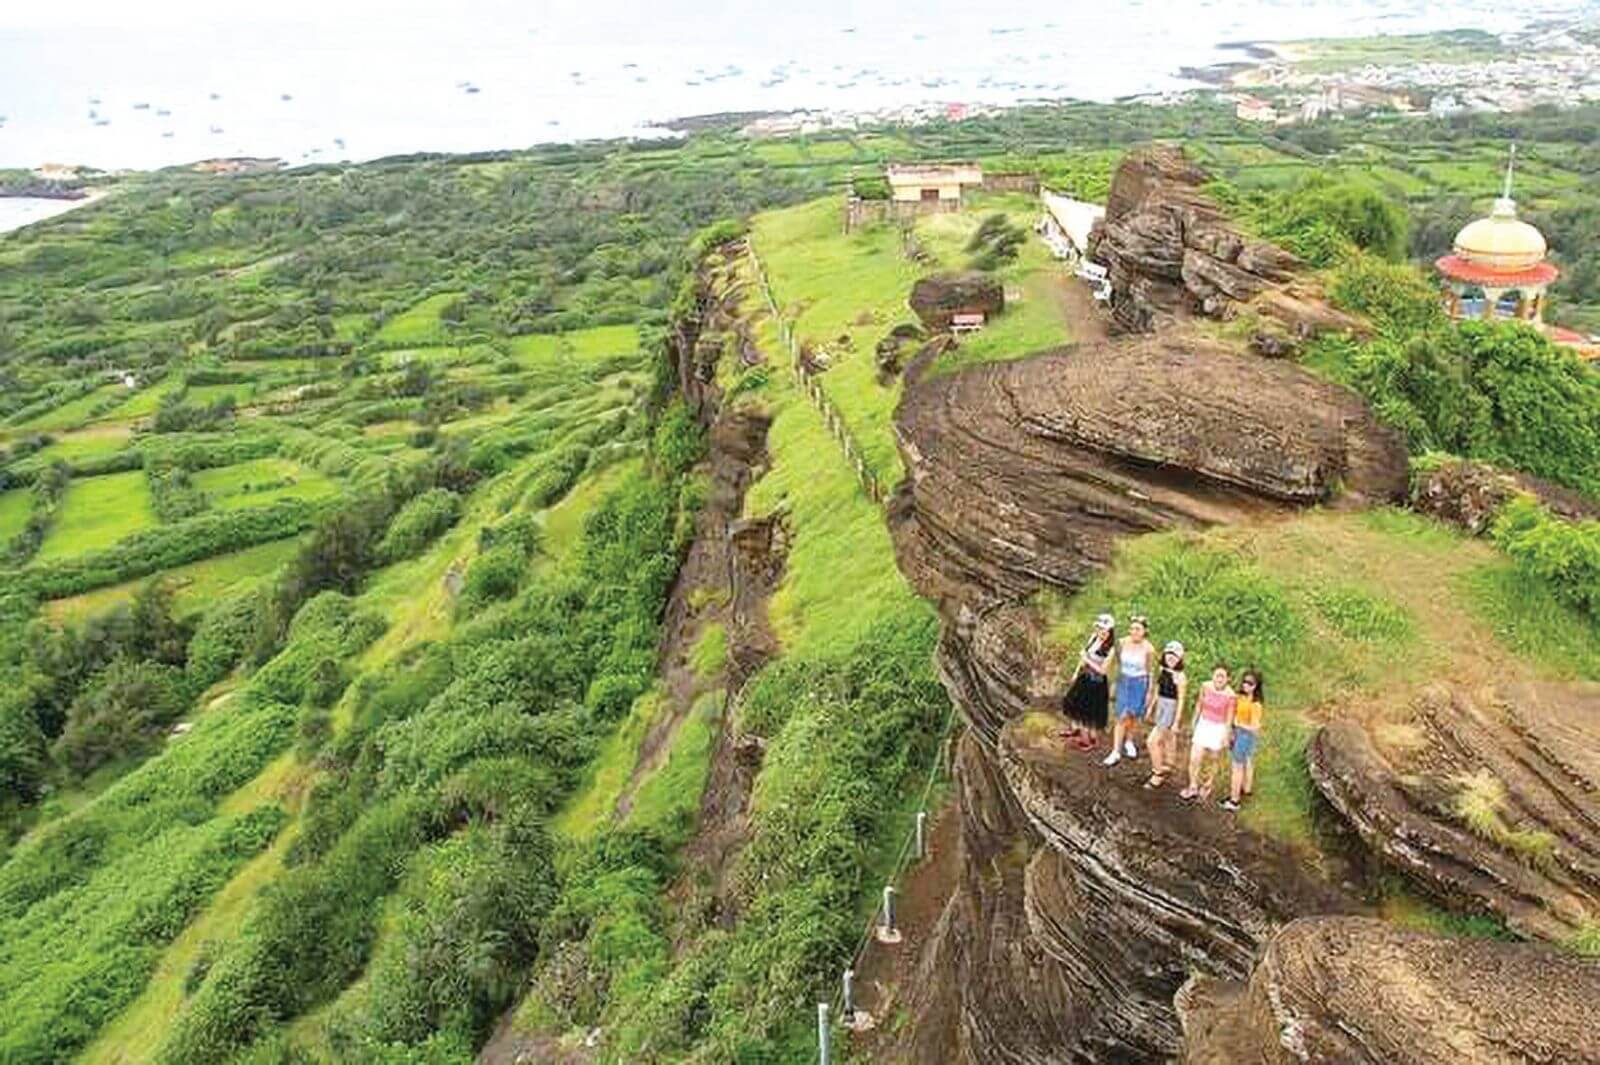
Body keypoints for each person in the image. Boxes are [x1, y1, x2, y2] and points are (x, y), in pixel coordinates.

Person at [1104, 615, 1155, 767]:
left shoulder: (1149, 649)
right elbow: (1118, 662)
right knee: (1121, 716)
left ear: (1144, 631)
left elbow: (1150, 671)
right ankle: (1115, 751)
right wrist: (1114, 681)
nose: (1134, 632)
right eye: (1132, 628)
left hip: (1140, 682)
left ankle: (1129, 741)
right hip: (1124, 680)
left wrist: (1149, 692)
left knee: (1133, 715)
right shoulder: (1122, 643)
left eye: (1138, 629)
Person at [1181, 664, 1236, 802]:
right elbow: (1200, 703)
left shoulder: (1231, 695)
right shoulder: (1205, 686)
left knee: (1213, 758)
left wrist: (1226, 734)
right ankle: (1193, 785)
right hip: (1204, 723)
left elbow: (1229, 717)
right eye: (1217, 675)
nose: (1219, 679)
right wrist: (1194, 720)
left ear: (1228, 679)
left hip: (1219, 726)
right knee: (1195, 757)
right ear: (1212, 675)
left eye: (1223, 676)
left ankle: (1208, 784)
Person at [1061, 614, 1114, 752]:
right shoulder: (1093, 638)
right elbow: (1083, 657)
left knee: (1089, 711)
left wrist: (1087, 660)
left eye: (1104, 630)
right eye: (1099, 629)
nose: (1101, 633)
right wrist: (1076, 672)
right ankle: (1077, 730)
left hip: (1096, 682)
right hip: (1085, 677)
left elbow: (1103, 671)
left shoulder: (1111, 649)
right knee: (1074, 702)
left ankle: (1089, 740)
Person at [1143, 641, 1186, 789]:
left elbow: (1181, 700)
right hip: (1161, 704)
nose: (1171, 659)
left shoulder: (1180, 677)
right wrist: (1151, 707)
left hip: (1171, 708)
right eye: (1169, 655)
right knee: (1168, 737)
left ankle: (1158, 773)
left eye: (1175, 657)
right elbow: (1158, 689)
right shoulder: (1163, 670)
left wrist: (1176, 722)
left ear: (1180, 658)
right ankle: (1169, 763)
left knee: (1152, 741)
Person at [1221, 668, 1265, 812]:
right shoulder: (1241, 697)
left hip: (1245, 735)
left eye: (1250, 683)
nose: (1246, 685)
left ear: (1256, 686)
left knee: (1237, 766)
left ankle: (1234, 801)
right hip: (1240, 733)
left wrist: (1236, 723)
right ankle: (1246, 788)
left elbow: (1255, 727)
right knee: (1247, 761)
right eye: (1245, 682)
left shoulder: (1255, 705)